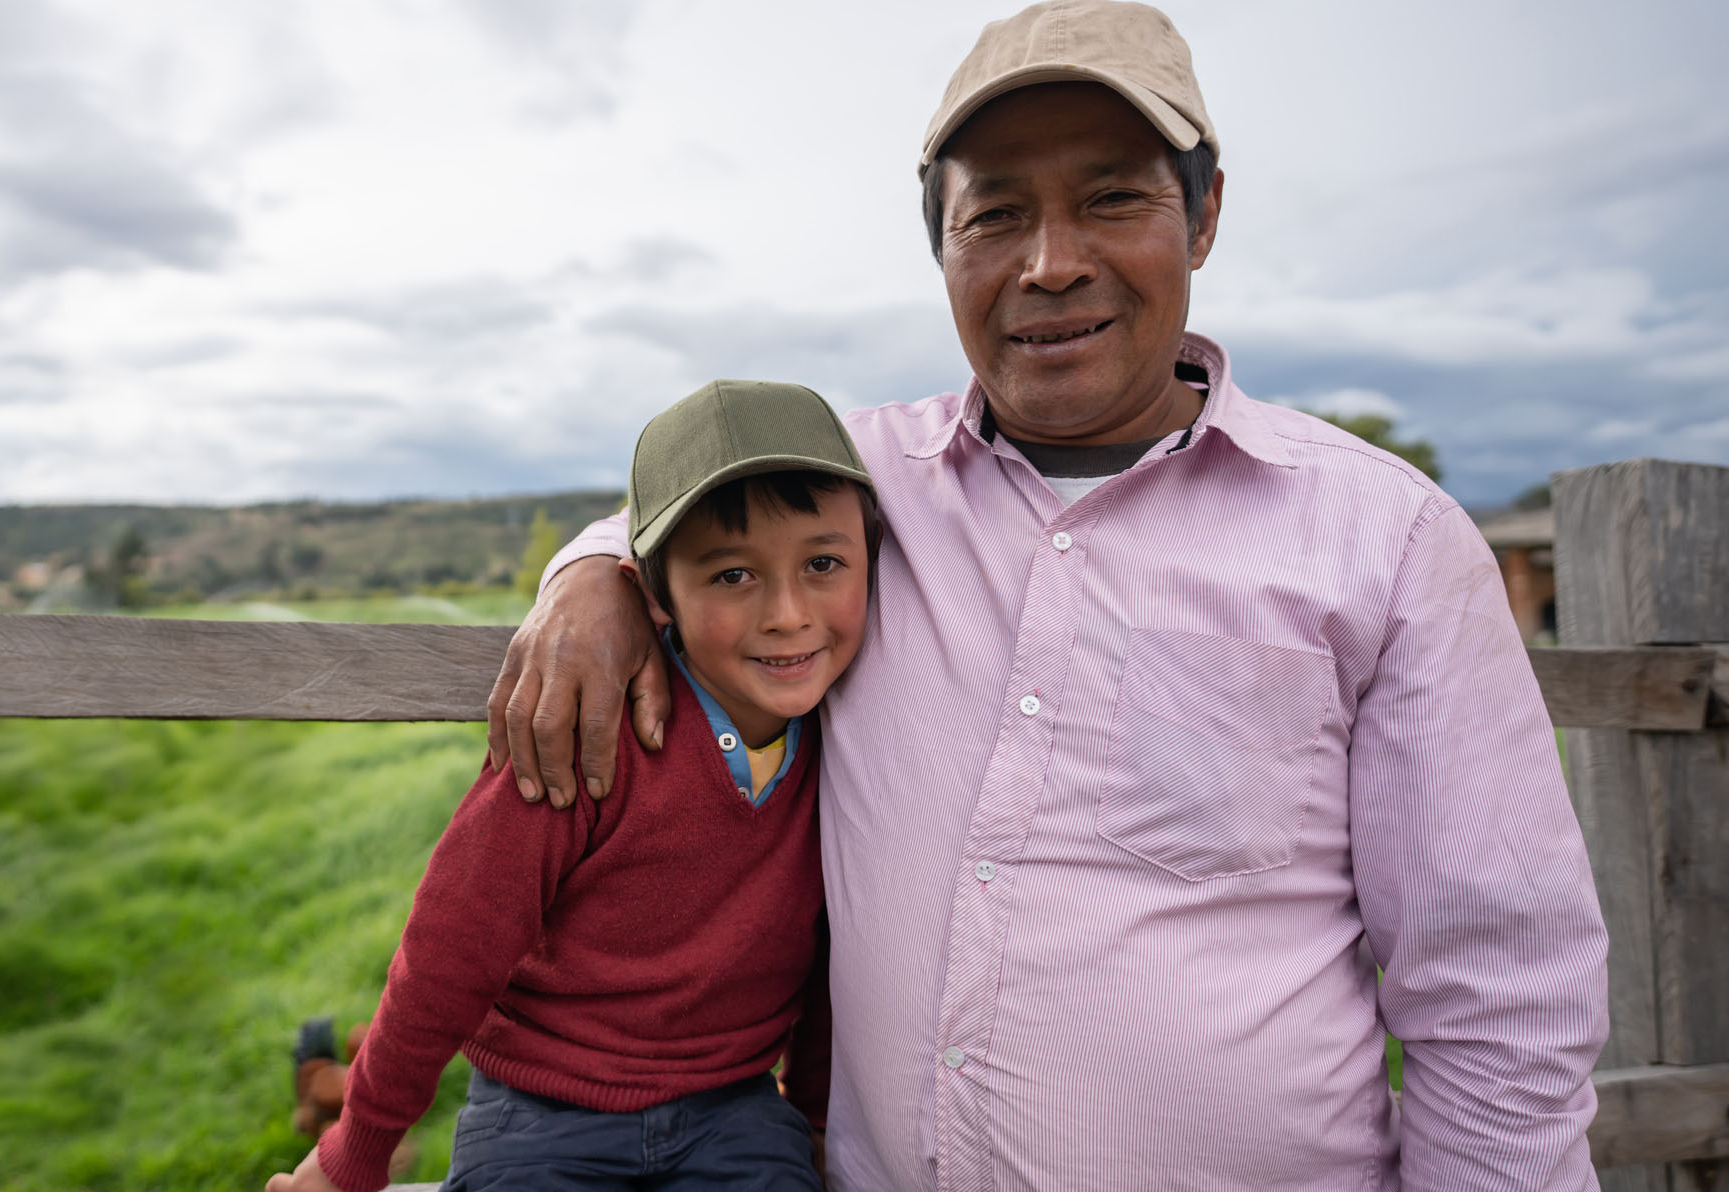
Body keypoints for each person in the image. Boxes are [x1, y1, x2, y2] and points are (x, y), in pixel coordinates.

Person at [486, 3, 1611, 1189]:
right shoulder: (851, 492)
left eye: (1113, 198)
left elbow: (1498, 995)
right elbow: (666, 518)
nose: (1049, 261)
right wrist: (594, 580)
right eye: (996, 213)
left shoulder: (1385, 538)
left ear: (1205, 212)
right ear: (942, 249)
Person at [265, 379, 880, 1192]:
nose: (788, 613)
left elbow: (846, 954)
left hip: (734, 1108)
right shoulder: (583, 732)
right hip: (543, 1110)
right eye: (733, 576)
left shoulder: (858, 746)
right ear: (656, 594)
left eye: (824, 563)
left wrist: (810, 1119)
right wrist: (356, 1152)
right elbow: (451, 950)